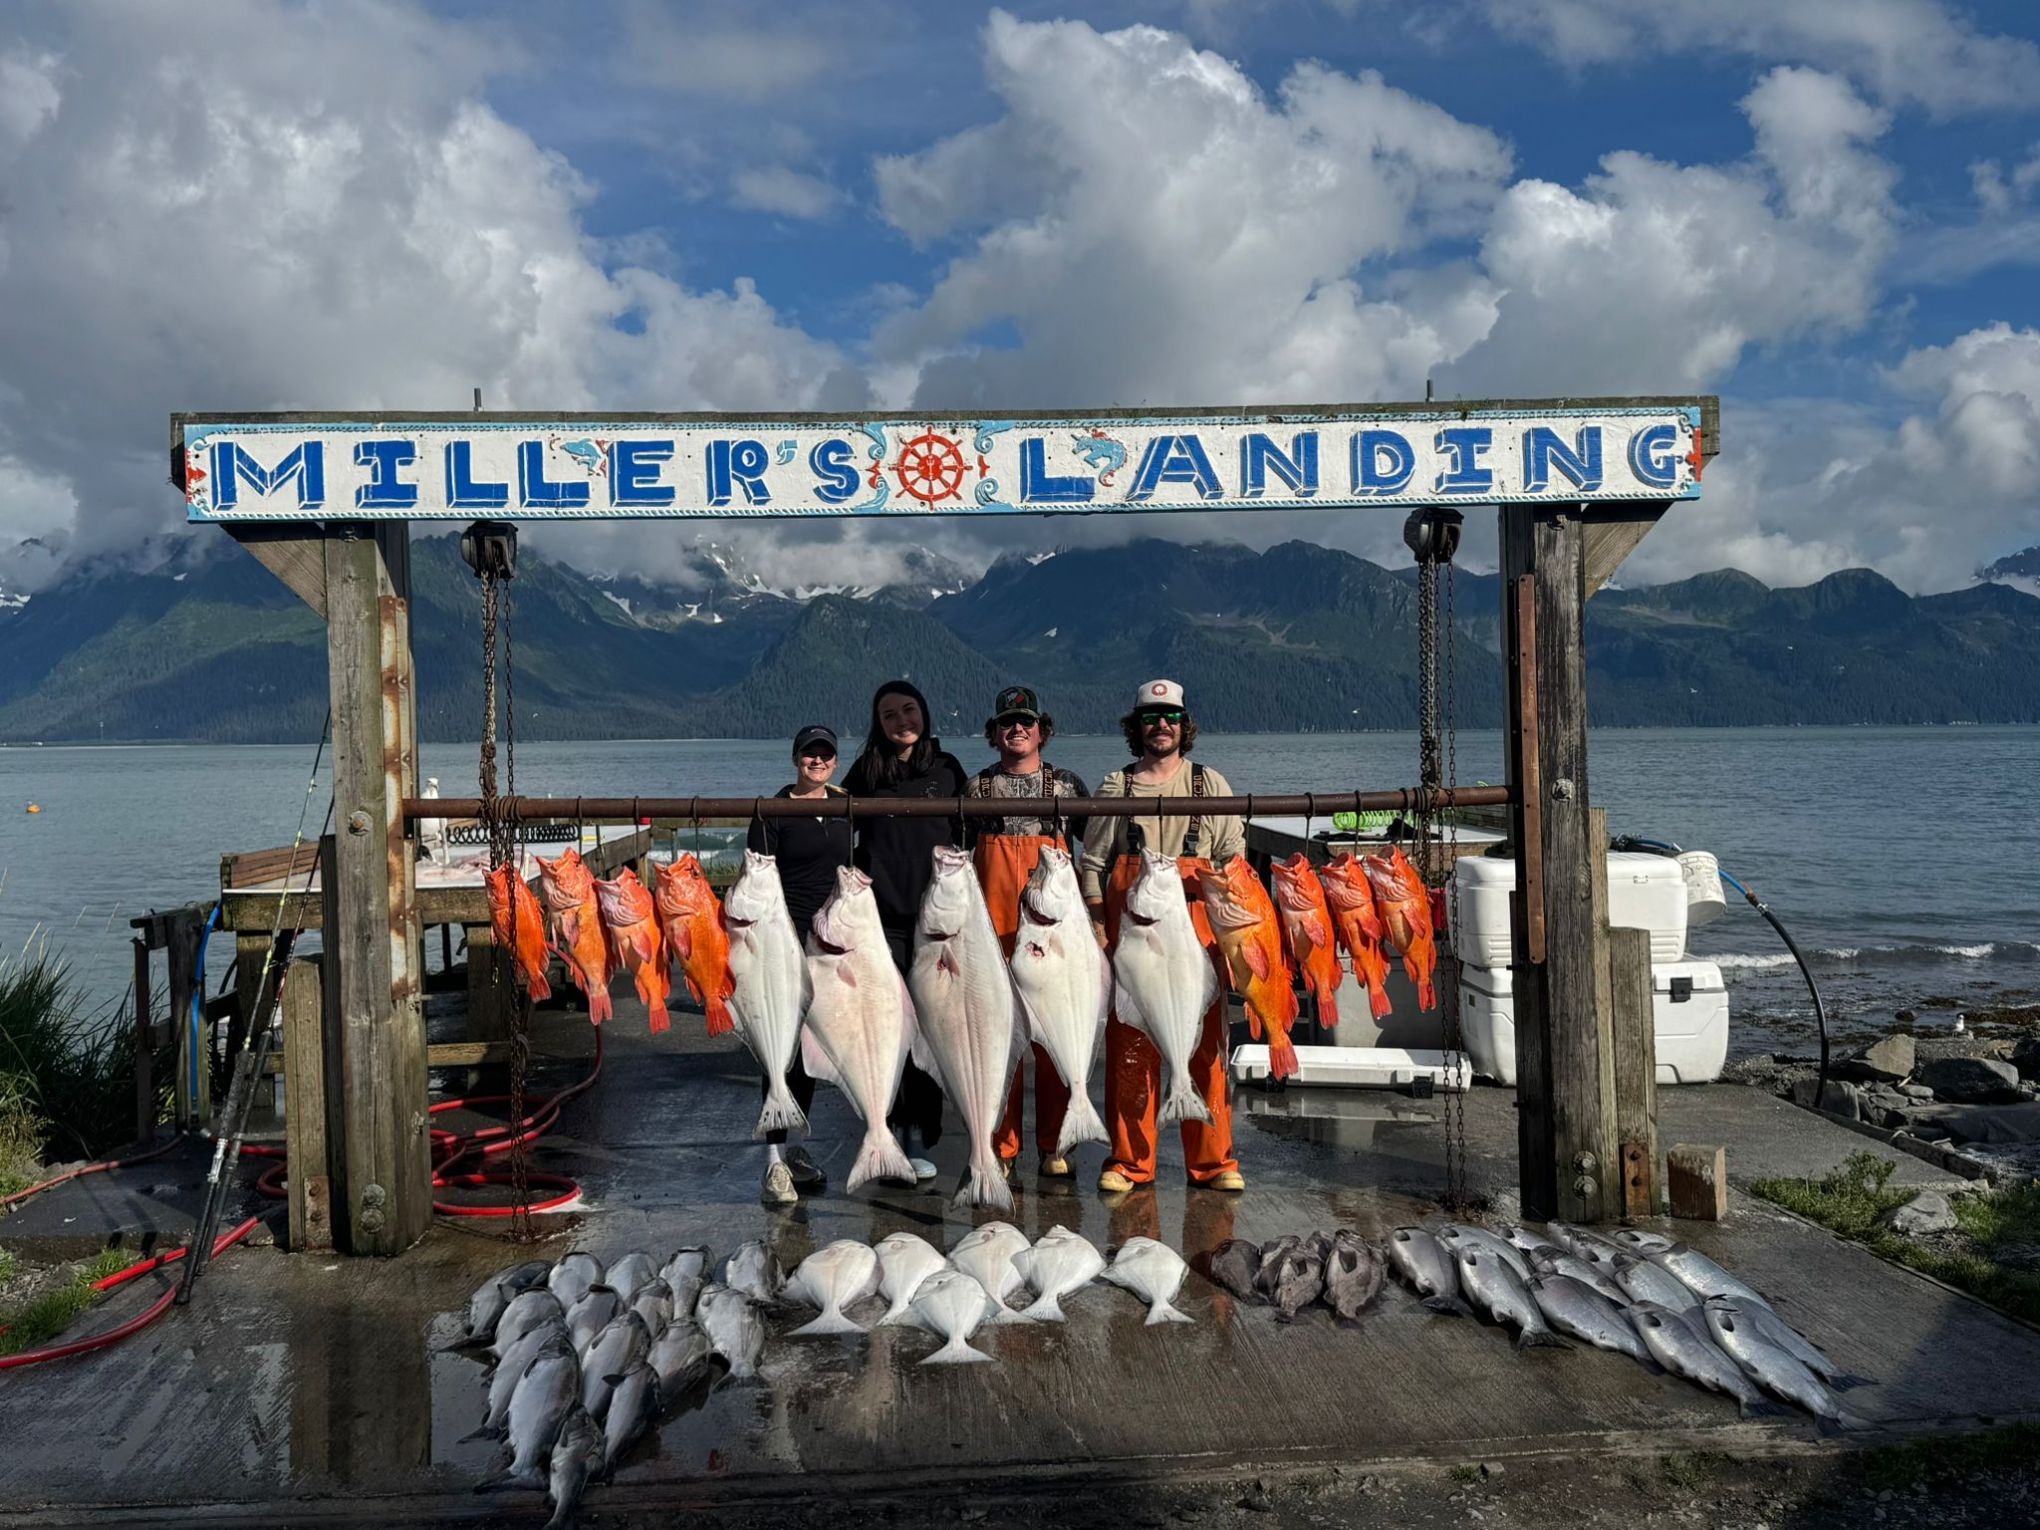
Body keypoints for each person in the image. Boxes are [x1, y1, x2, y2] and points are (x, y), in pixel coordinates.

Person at [1079, 679, 1247, 1195]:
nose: (1162, 726)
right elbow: (1092, 865)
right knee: (1131, 1051)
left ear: (1184, 723)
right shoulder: (1115, 787)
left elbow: (1232, 865)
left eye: (1171, 716)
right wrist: (1100, 927)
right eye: (1151, 718)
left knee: (1207, 1051)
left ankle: (1214, 1162)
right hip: (1136, 938)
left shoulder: (1210, 784)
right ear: (1137, 726)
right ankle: (1130, 1161)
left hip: (1196, 936)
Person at [842, 679, 966, 1181]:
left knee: (931, 1027)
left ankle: (921, 1132)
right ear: (878, 722)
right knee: (887, 1025)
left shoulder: (947, 769)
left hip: (938, 922)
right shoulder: (866, 770)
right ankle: (886, 1125)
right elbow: (832, 820)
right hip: (882, 919)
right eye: (889, 715)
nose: (901, 722)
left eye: (908, 710)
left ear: (925, 712)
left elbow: (971, 835)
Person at [964, 685, 1090, 1181]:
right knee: (1001, 1043)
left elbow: (1096, 853)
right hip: (994, 935)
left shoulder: (1068, 788)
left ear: (1043, 731)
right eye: (1008, 722)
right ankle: (1002, 1147)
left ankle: (1056, 1144)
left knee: (1055, 1038)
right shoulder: (976, 790)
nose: (1017, 728)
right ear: (994, 734)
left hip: (1053, 936)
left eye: (1026, 721)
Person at [746, 723, 851, 1207]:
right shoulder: (772, 812)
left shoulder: (847, 806)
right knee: (780, 1052)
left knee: (811, 1054)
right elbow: (757, 878)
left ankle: (794, 1152)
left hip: (831, 943)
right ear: (795, 759)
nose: (817, 761)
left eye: (825, 754)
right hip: (782, 944)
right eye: (809, 754)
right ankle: (772, 1161)